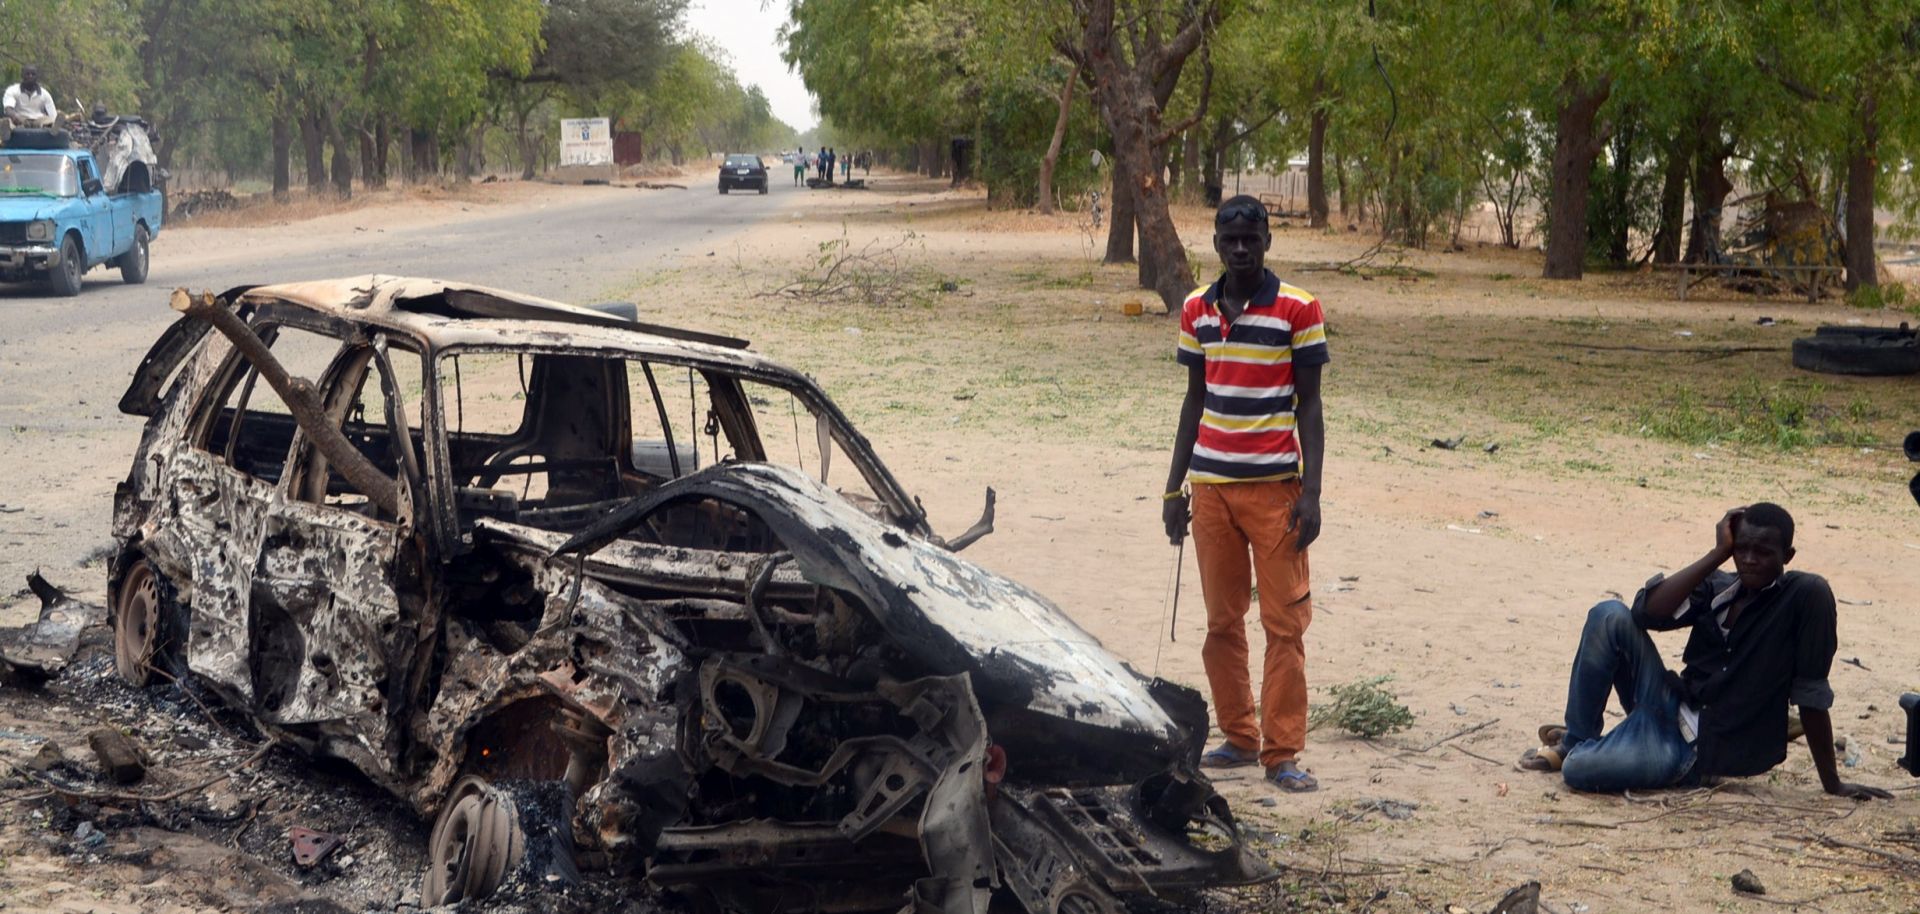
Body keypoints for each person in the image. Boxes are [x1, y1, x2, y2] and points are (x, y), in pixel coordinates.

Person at [1517, 504, 1891, 801]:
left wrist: (1833, 784)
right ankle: (1577, 739)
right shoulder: (1720, 586)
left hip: (1695, 749)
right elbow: (1646, 614)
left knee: (1579, 772)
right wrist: (1716, 554)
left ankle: (1596, 749)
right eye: (1741, 549)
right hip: (1667, 702)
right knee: (1608, 616)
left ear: (1787, 555)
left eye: (1763, 552)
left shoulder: (1805, 597)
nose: (1749, 559)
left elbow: (1811, 692)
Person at [1163, 195, 1328, 793]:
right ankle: (1238, 736)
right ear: (1215, 243)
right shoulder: (1196, 311)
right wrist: (1172, 488)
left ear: (1266, 242)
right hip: (1209, 492)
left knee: (1284, 625)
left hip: (1276, 494)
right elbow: (1193, 401)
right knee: (1221, 623)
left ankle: (1281, 753)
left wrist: (1311, 492)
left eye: (1250, 239)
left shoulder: (1298, 309)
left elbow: (1309, 405)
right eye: (1229, 240)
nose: (1240, 249)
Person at [2, 65, 60, 143]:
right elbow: (8, 108)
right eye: (27, 74)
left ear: (37, 77)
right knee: (6, 122)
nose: (30, 76)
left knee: (50, 121)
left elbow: (53, 114)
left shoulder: (45, 93)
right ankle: (6, 132)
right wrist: (14, 116)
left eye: (33, 74)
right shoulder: (12, 90)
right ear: (22, 75)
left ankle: (53, 128)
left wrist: (54, 120)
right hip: (20, 118)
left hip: (38, 119)